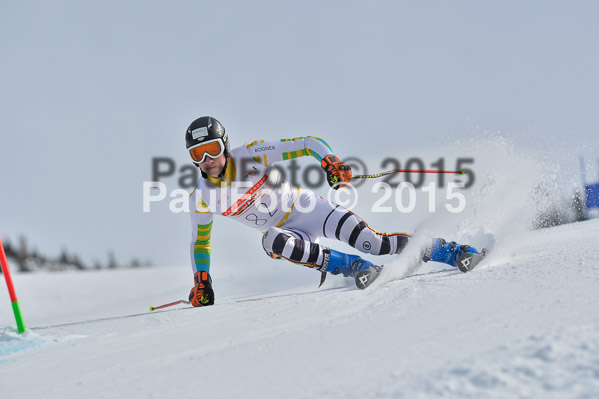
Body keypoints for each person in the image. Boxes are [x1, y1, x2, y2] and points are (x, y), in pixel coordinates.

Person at [186, 116, 481, 307]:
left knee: (375, 243)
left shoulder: (250, 154)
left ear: (224, 145)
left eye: (211, 149)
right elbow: (201, 241)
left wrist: (330, 161)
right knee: (272, 240)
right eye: (198, 155)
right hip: (287, 233)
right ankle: (354, 266)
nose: (208, 159)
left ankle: (453, 252)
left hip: (308, 210)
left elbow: (307, 144)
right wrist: (202, 279)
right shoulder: (201, 197)